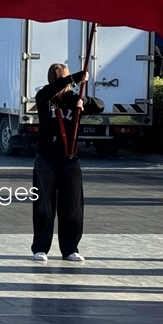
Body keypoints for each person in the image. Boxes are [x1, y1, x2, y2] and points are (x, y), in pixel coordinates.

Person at [31, 64, 104, 263]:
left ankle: (70, 248)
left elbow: (100, 105)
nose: (67, 83)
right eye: (62, 79)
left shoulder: (73, 98)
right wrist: (71, 78)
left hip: (70, 159)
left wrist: (84, 101)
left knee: (72, 207)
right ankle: (40, 247)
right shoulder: (45, 98)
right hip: (46, 159)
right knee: (44, 206)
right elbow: (49, 91)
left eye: (68, 79)